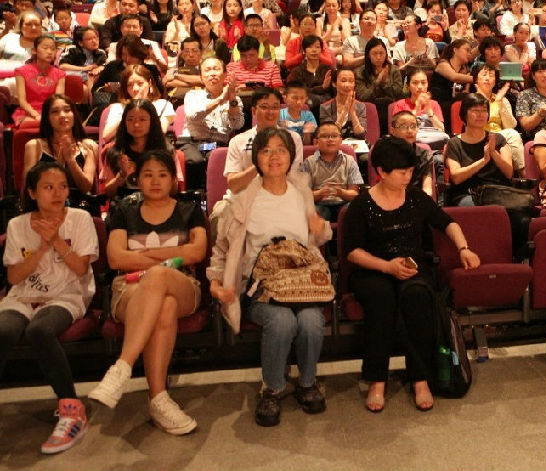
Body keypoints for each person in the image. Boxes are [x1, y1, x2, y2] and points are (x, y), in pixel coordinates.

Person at [343, 136, 481, 412]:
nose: (408, 177)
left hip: (412, 267)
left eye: (410, 171)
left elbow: (448, 223)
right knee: (380, 298)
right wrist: (387, 266)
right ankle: (377, 379)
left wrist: (464, 248)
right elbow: (353, 252)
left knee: (417, 295)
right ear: (381, 171)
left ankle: (420, 377)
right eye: (401, 172)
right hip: (374, 269)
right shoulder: (361, 205)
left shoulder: (416, 198)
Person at [208, 128, 332, 426]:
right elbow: (222, 249)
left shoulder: (301, 193)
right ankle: (272, 388)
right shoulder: (242, 201)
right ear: (256, 158)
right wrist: (215, 283)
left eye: (281, 150)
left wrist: (321, 228)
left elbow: (319, 237)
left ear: (291, 156)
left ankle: (307, 383)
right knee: (281, 320)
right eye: (266, 151)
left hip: (302, 283)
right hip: (261, 287)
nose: (274, 157)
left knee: (311, 321)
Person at [89, 150, 207, 435]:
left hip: (182, 284)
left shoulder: (189, 209)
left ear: (173, 179)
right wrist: (175, 254)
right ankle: (158, 399)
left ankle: (122, 366)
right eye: (148, 175)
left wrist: (148, 256)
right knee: (164, 305)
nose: (155, 181)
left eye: (163, 175)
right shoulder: (123, 210)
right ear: (137, 179)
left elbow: (197, 252)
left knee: (158, 277)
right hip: (128, 287)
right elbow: (116, 258)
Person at [0, 162, 97, 454]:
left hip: (67, 295)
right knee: (3, 331)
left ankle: (72, 409)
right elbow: (14, 278)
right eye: (48, 187)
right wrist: (42, 247)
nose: (57, 193)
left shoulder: (79, 219)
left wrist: (55, 240)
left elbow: (81, 268)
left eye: (62, 187)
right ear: (32, 193)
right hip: (22, 296)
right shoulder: (17, 225)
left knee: (39, 330)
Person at [223, 88, 304, 198]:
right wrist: (258, 166)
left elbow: (294, 178)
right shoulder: (238, 141)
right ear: (254, 111)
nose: (270, 112)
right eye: (264, 107)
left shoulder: (293, 138)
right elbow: (233, 185)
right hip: (244, 198)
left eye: (275, 107)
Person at [179, 57, 244, 189]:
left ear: (225, 74)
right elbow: (193, 116)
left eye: (216, 69)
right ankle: (192, 197)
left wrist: (231, 99)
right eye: (207, 70)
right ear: (201, 77)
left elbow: (237, 125)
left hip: (217, 144)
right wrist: (220, 100)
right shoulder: (192, 95)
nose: (212, 73)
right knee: (194, 160)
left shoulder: (234, 99)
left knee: (216, 158)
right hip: (192, 143)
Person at [444, 93, 515, 206]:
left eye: (484, 110)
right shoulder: (454, 143)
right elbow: (456, 177)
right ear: (464, 114)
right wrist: (483, 161)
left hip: (497, 193)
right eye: (475, 110)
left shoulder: (498, 139)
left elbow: (509, 173)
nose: (480, 114)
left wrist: (493, 153)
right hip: (468, 194)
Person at [100, 100, 178, 199]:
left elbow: (174, 191)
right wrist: (122, 175)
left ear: (152, 122)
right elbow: (108, 192)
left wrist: (163, 173)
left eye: (142, 119)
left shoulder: (165, 150)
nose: (136, 124)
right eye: (130, 119)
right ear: (124, 122)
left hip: (157, 204)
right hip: (125, 205)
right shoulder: (114, 150)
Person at [24, 94, 99, 195]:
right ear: (47, 118)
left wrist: (71, 161)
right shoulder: (34, 146)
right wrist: (59, 163)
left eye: (67, 110)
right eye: (55, 112)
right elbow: (28, 187)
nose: (62, 115)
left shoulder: (90, 146)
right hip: (45, 202)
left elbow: (86, 187)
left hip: (78, 203)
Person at [301, 121, 362, 221]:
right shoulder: (308, 162)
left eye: (334, 136)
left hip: (344, 203)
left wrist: (341, 192)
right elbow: (303, 195)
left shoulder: (349, 161)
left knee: (353, 210)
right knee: (312, 213)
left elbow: (355, 193)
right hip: (318, 204)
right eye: (325, 136)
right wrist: (320, 193)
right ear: (316, 141)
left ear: (341, 140)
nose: (330, 139)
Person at [101, 64, 174, 143]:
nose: (135, 89)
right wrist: (131, 107)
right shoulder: (118, 107)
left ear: (149, 83)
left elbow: (161, 130)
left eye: (140, 83)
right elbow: (106, 135)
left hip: (152, 147)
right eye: (130, 85)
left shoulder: (162, 104)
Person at [13, 34, 66, 128]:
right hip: (28, 112)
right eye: (45, 48)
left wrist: (46, 116)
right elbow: (22, 101)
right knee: (32, 125)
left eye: (53, 49)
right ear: (34, 50)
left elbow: (57, 100)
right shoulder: (21, 71)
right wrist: (35, 114)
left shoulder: (60, 74)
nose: (49, 52)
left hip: (51, 112)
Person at [390, 111, 436, 198]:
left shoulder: (424, 154)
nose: (410, 131)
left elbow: (427, 188)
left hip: (417, 200)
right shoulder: (385, 152)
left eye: (413, 126)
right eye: (403, 126)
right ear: (393, 131)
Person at [319, 68, 367, 141]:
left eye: (351, 81)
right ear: (334, 84)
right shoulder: (325, 107)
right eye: (343, 81)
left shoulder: (361, 106)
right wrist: (344, 111)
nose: (347, 85)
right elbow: (329, 134)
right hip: (333, 145)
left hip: (355, 145)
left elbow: (362, 135)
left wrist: (352, 112)